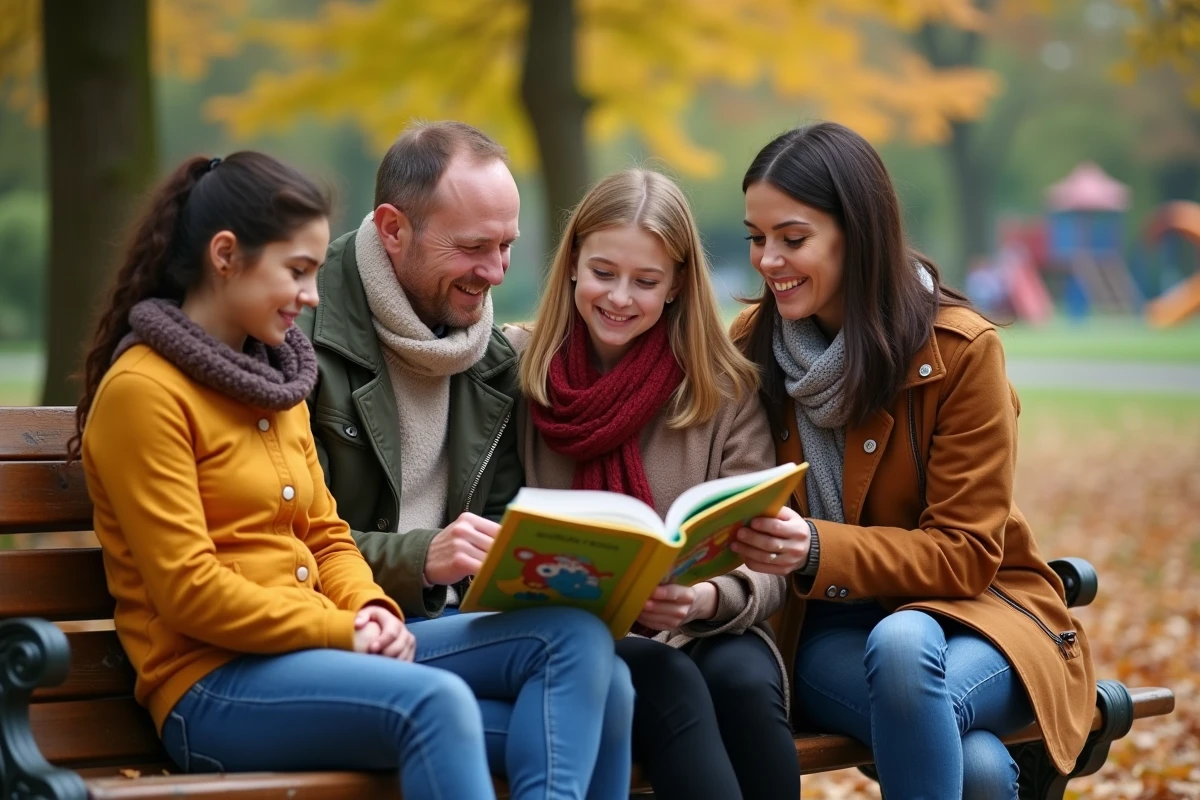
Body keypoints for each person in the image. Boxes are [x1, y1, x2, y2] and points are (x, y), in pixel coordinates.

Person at [74, 152, 497, 798]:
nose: (313, 295)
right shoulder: (144, 392)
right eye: (297, 270)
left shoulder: (276, 378)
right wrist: (341, 629)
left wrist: (370, 607)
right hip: (211, 688)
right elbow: (188, 589)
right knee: (438, 706)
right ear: (225, 256)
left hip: (314, 659)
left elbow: (327, 536)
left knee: (566, 663)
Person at [730, 122, 1097, 799]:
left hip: (981, 618)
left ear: (858, 231)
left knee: (903, 641)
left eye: (792, 238)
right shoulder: (751, 348)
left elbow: (963, 554)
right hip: (828, 633)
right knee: (980, 769)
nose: (766, 260)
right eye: (756, 238)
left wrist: (813, 545)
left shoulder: (959, 351)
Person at [297, 121, 632, 799]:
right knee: (591, 681)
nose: (496, 271)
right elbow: (293, 537)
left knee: (615, 685)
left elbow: (501, 516)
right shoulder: (302, 338)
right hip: (342, 622)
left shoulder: (494, 362)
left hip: (446, 625)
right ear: (393, 229)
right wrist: (423, 555)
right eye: (474, 247)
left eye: (507, 245)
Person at [506, 168, 801, 800]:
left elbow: (770, 561)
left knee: (746, 684)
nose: (619, 297)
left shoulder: (722, 387)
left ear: (676, 287)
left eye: (646, 281)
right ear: (573, 267)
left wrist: (704, 600)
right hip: (575, 633)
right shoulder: (519, 369)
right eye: (603, 273)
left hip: (701, 621)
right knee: (669, 682)